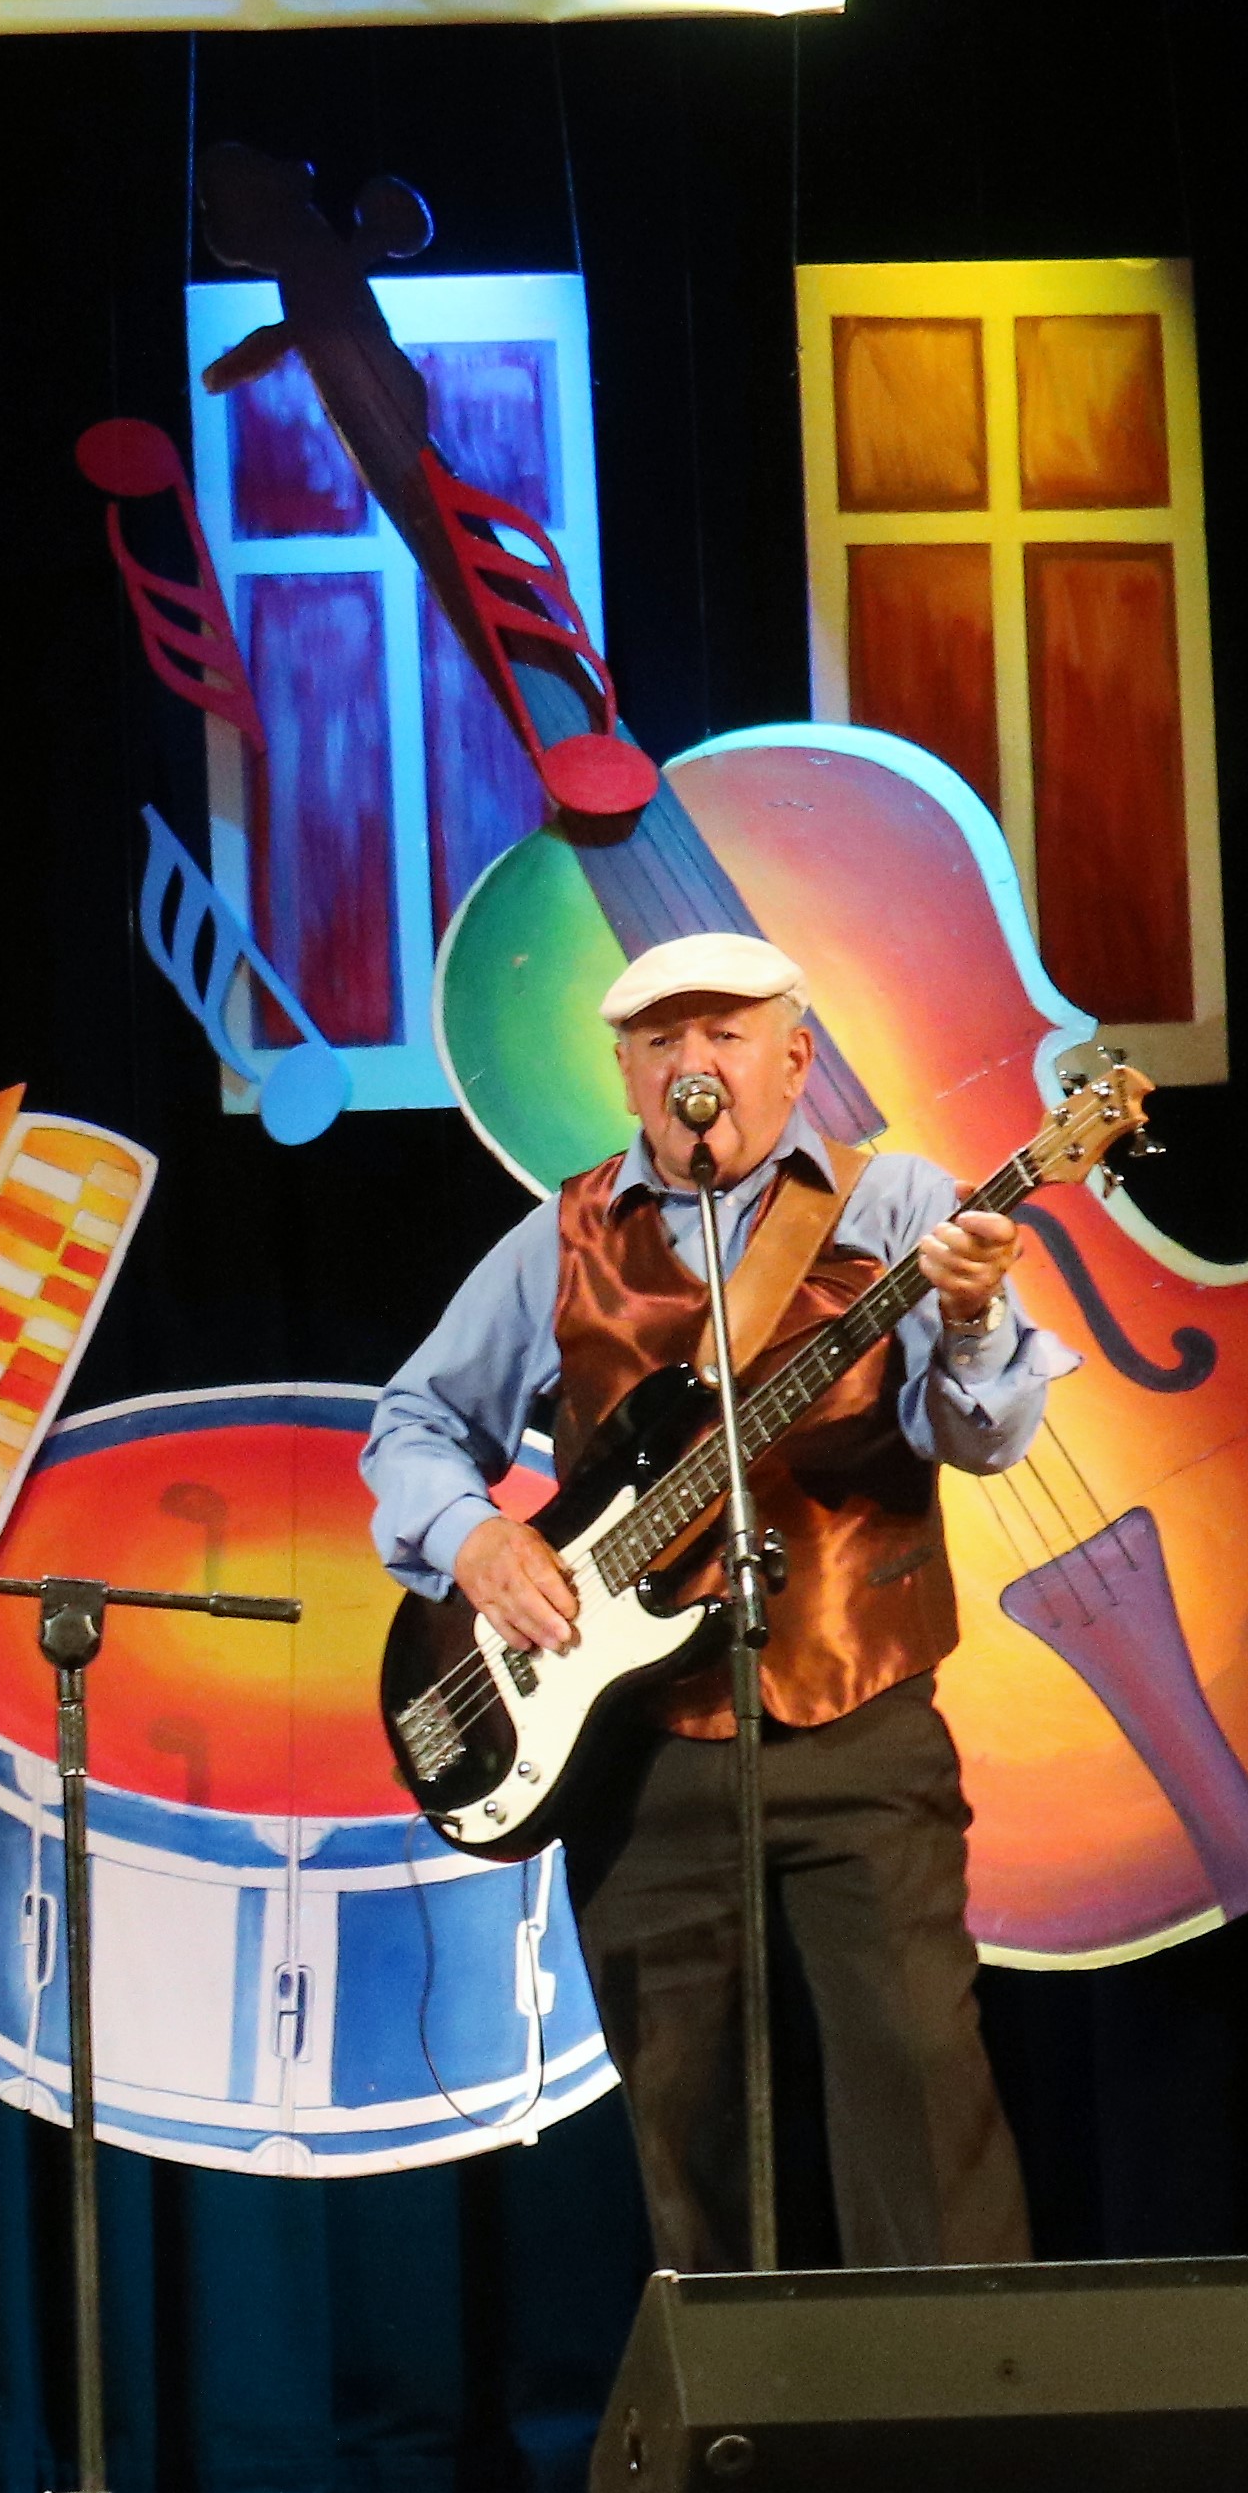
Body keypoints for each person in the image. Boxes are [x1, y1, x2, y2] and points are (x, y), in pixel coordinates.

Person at [359, 933, 1065, 2273]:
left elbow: (978, 1439)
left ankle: (960, 2400)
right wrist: (473, 1539)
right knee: (693, 2141)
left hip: (859, 1729)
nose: (696, 1064)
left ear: (793, 1060)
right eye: (663, 1040)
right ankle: (747, 2408)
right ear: (628, 1073)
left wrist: (974, 1325)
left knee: (922, 2104)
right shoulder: (565, 1235)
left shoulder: (899, 1204)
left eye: (726, 1034)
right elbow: (415, 1422)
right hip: (637, 1759)